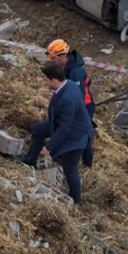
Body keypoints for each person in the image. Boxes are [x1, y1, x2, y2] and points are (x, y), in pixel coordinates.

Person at [21, 39, 95, 168]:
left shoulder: (75, 72)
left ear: (62, 56)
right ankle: (31, 160)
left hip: (84, 108)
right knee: (42, 130)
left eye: (53, 58)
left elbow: (78, 97)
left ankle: (85, 164)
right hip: (72, 106)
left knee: (83, 134)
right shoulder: (65, 67)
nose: (52, 61)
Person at [41, 61, 94, 205]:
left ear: (54, 80)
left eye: (46, 79)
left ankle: (76, 200)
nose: (44, 82)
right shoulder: (69, 84)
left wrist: (49, 147)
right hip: (79, 129)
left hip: (76, 136)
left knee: (70, 169)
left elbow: (65, 128)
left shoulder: (67, 99)